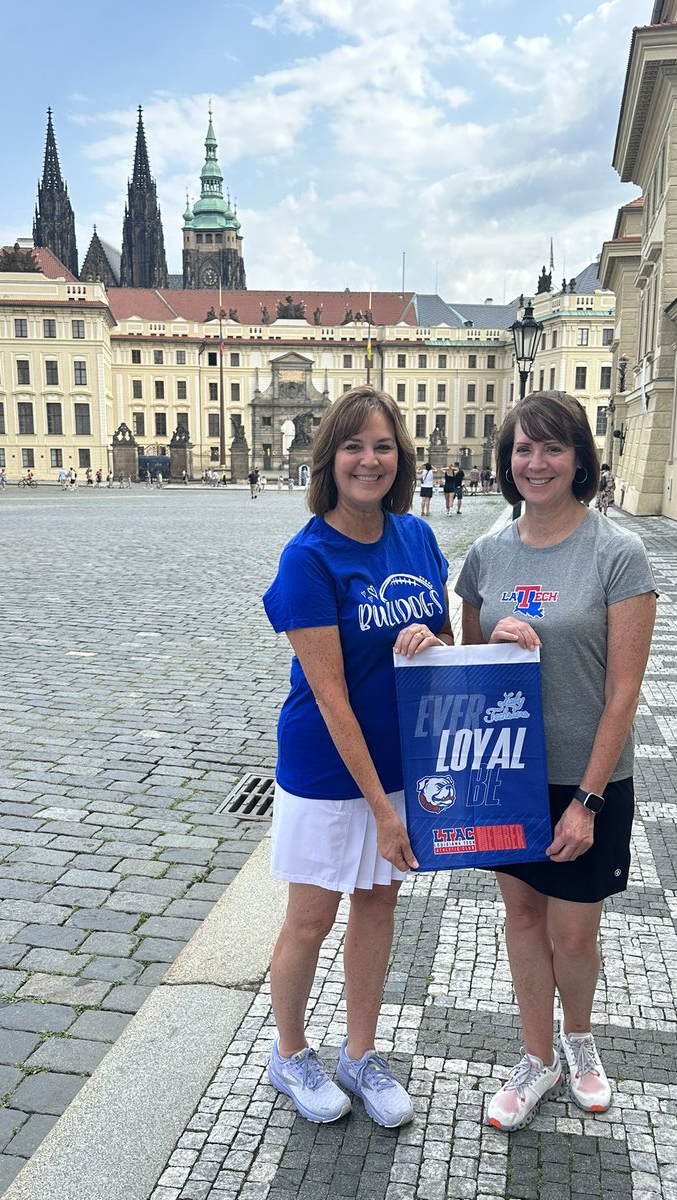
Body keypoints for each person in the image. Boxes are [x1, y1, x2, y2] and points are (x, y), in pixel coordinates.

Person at [455, 390, 657, 1133]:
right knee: (522, 918)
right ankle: (535, 1056)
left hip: (588, 778)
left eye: (552, 448)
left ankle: (580, 1041)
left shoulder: (616, 552)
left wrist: (590, 800)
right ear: (508, 462)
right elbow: (467, 670)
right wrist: (474, 640)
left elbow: (624, 690)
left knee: (574, 933)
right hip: (510, 772)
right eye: (522, 449)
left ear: (578, 460)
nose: (535, 462)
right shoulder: (488, 554)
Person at [263, 385, 454, 1129]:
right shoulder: (308, 556)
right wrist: (381, 810)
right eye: (353, 446)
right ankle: (289, 1054)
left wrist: (433, 642)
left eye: (382, 446)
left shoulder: (417, 539)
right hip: (326, 767)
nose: (369, 460)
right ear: (330, 458)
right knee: (310, 916)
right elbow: (332, 696)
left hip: (400, 758)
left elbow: (440, 643)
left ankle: (360, 1053)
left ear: (399, 458)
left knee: (378, 904)